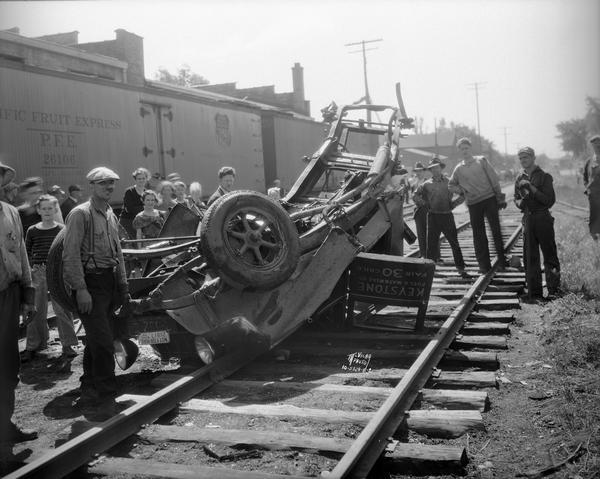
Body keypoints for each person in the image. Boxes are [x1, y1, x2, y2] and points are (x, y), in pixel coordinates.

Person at [62, 166, 129, 419]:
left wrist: (122, 286)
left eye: (112, 183)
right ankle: (107, 393)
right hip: (90, 284)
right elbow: (69, 255)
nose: (109, 187)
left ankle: (89, 384)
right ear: (92, 186)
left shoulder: (110, 212)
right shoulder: (80, 214)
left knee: (97, 337)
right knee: (102, 342)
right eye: (103, 183)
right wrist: (80, 289)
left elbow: (118, 252)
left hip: (108, 282)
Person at [0, 160, 37, 444]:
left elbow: (22, 256)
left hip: (9, 296)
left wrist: (28, 293)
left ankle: (5, 425)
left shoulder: (11, 212)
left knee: (8, 362)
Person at [23, 195, 78, 361]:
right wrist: (31, 271)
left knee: (61, 308)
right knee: (35, 309)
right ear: (39, 210)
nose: (47, 211)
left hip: (57, 272)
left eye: (50, 208)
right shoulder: (32, 230)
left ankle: (68, 344)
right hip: (38, 272)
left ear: (55, 210)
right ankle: (33, 345)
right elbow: (27, 252)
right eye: (44, 208)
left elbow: (67, 252)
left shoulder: (61, 229)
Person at [449, 137, 507, 273]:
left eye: (466, 148)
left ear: (470, 148)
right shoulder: (458, 169)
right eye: (462, 149)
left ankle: (502, 262)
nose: (464, 151)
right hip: (473, 204)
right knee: (478, 235)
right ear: (459, 151)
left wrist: (499, 196)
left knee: (496, 231)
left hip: (489, 199)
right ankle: (484, 266)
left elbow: (494, 178)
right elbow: (451, 185)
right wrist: (462, 190)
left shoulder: (481, 161)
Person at [514, 147, 561, 300]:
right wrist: (521, 201)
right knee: (530, 256)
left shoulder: (545, 176)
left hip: (542, 218)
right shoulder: (519, 177)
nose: (523, 160)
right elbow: (516, 198)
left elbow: (549, 201)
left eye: (526, 157)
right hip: (528, 218)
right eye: (520, 158)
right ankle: (535, 293)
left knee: (549, 254)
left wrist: (531, 188)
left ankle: (553, 290)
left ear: (533, 158)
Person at [415, 158, 468, 277]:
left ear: (441, 168)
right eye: (432, 168)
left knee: (454, 243)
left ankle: (461, 268)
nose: (435, 170)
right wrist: (424, 204)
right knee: (431, 246)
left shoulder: (449, 182)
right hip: (433, 216)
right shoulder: (426, 184)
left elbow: (463, 193)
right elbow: (415, 195)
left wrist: (453, 204)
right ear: (430, 170)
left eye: (437, 167)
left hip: (447, 216)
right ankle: (429, 270)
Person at [119, 167, 150, 239]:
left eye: (143, 178)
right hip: (128, 221)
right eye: (139, 179)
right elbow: (129, 209)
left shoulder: (147, 192)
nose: (141, 180)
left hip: (141, 221)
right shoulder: (129, 191)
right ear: (135, 179)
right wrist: (145, 208)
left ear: (146, 179)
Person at [411, 162, 429, 258]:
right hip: (418, 211)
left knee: (431, 234)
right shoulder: (414, 184)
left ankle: (435, 255)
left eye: (420, 171)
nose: (418, 173)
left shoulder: (428, 182)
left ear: (424, 172)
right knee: (421, 234)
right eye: (417, 171)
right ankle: (423, 254)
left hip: (428, 210)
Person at [583, 134, 600, 240]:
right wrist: (587, 188)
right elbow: (585, 176)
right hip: (593, 193)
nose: (598, 148)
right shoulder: (589, 161)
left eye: (599, 145)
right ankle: (594, 236)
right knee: (594, 213)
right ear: (592, 147)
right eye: (595, 146)